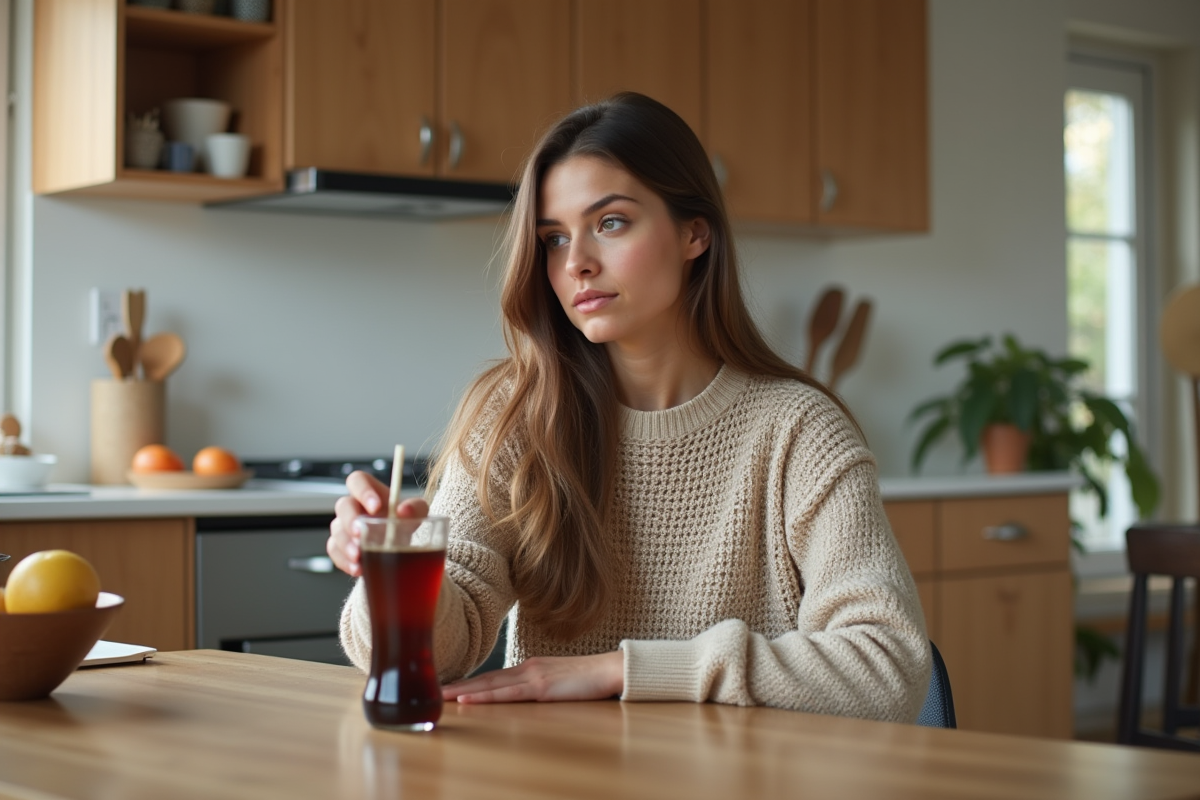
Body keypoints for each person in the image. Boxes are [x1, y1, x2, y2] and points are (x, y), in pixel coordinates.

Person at [327, 92, 931, 721]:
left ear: (695, 232)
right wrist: (388, 573)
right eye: (554, 239)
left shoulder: (799, 431)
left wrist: (620, 671)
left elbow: (888, 668)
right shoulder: (514, 417)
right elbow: (433, 655)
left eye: (610, 222)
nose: (577, 264)